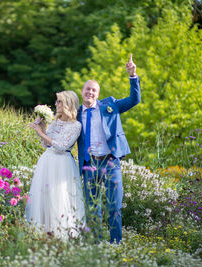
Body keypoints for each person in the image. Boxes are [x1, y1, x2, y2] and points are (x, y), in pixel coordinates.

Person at [77, 54, 141, 244]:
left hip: (110, 161)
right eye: (88, 89)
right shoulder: (76, 113)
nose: (90, 92)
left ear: (98, 93)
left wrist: (133, 75)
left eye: (94, 90)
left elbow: (134, 99)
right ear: (82, 91)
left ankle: (115, 244)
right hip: (90, 164)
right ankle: (96, 244)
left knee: (114, 206)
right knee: (92, 207)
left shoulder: (110, 105)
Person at [25, 91, 85, 238]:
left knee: (59, 195)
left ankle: (60, 233)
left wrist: (41, 133)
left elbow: (62, 146)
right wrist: (43, 127)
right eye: (57, 101)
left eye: (59, 101)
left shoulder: (76, 126)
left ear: (68, 104)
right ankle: (42, 231)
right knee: (44, 195)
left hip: (62, 163)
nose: (56, 104)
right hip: (47, 161)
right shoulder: (55, 122)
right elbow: (46, 144)